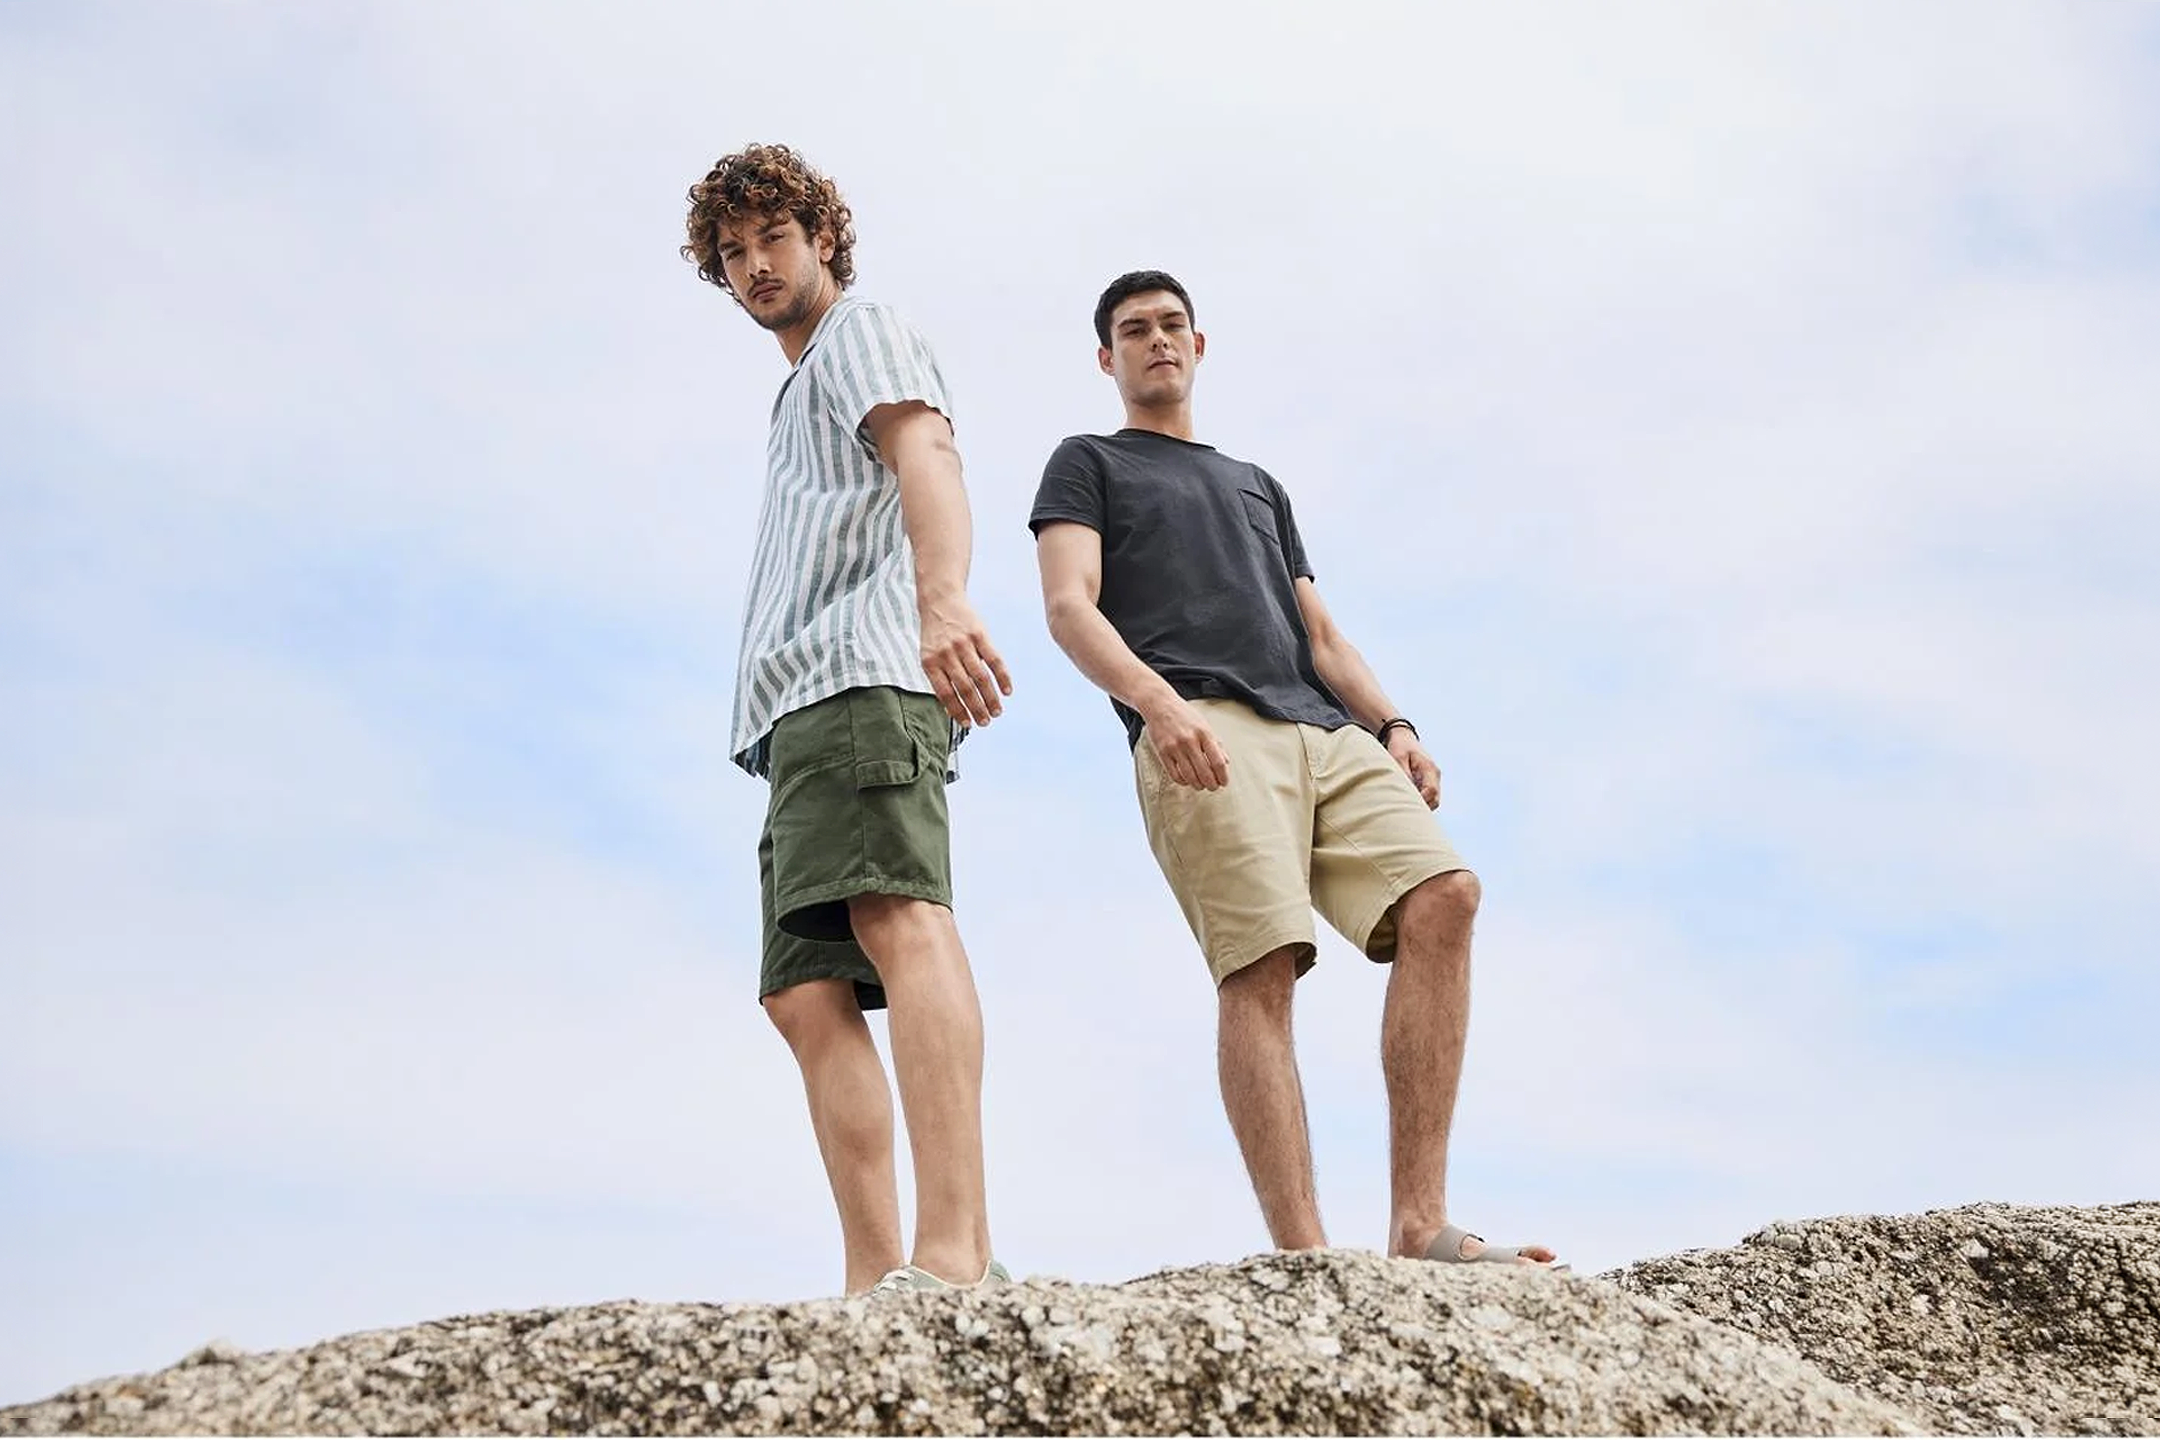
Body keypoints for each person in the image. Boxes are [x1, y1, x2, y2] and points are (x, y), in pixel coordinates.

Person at [1029, 270, 1562, 1269]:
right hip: (1204, 727)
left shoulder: (1256, 485)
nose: (1156, 341)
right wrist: (1158, 707)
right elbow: (1069, 605)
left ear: (1200, 344)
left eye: (1172, 325)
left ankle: (1418, 1226)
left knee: (1445, 894)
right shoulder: (1087, 462)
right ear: (1107, 358)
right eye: (1133, 331)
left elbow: (1320, 630)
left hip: (1324, 729)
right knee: (1263, 967)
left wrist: (1393, 722)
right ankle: (1308, 1257)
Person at [681, 142, 1011, 1294]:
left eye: (775, 236)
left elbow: (926, 451)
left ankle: (956, 1252)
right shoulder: (800, 381)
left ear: (823, 237)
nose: (755, 263)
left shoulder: (861, 331)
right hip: (795, 717)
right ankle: (876, 1276)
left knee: (900, 920)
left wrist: (943, 601)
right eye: (732, 252)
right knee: (802, 990)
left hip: (861, 676)